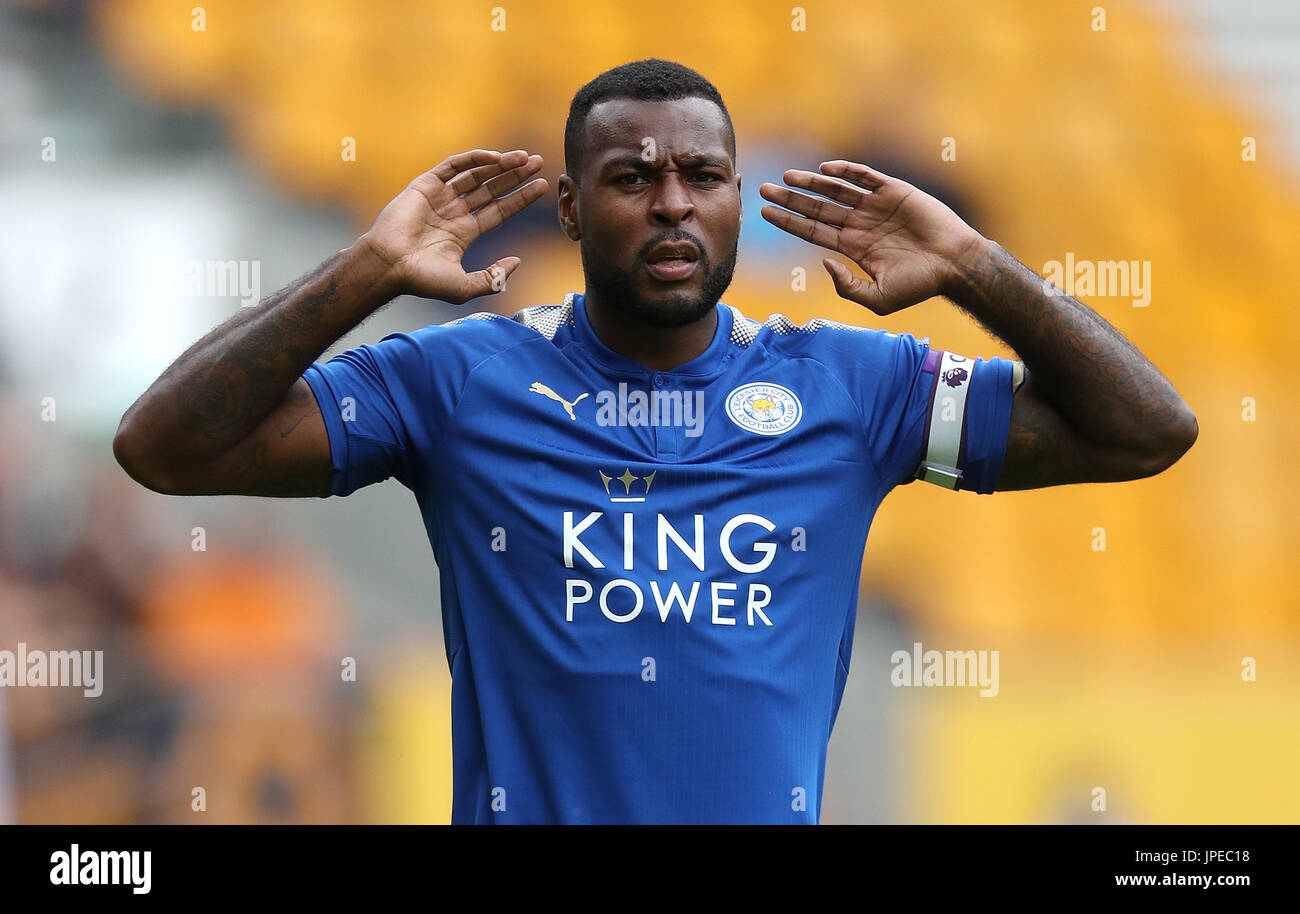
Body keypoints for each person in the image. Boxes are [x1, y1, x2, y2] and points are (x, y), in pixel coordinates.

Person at [113, 59, 1197, 823]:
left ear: (738, 201)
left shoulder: (850, 387)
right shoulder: (461, 380)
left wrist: (972, 265)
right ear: (573, 211)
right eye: (633, 179)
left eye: (703, 177)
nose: (672, 204)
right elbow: (166, 449)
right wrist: (361, 273)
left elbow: (1147, 430)